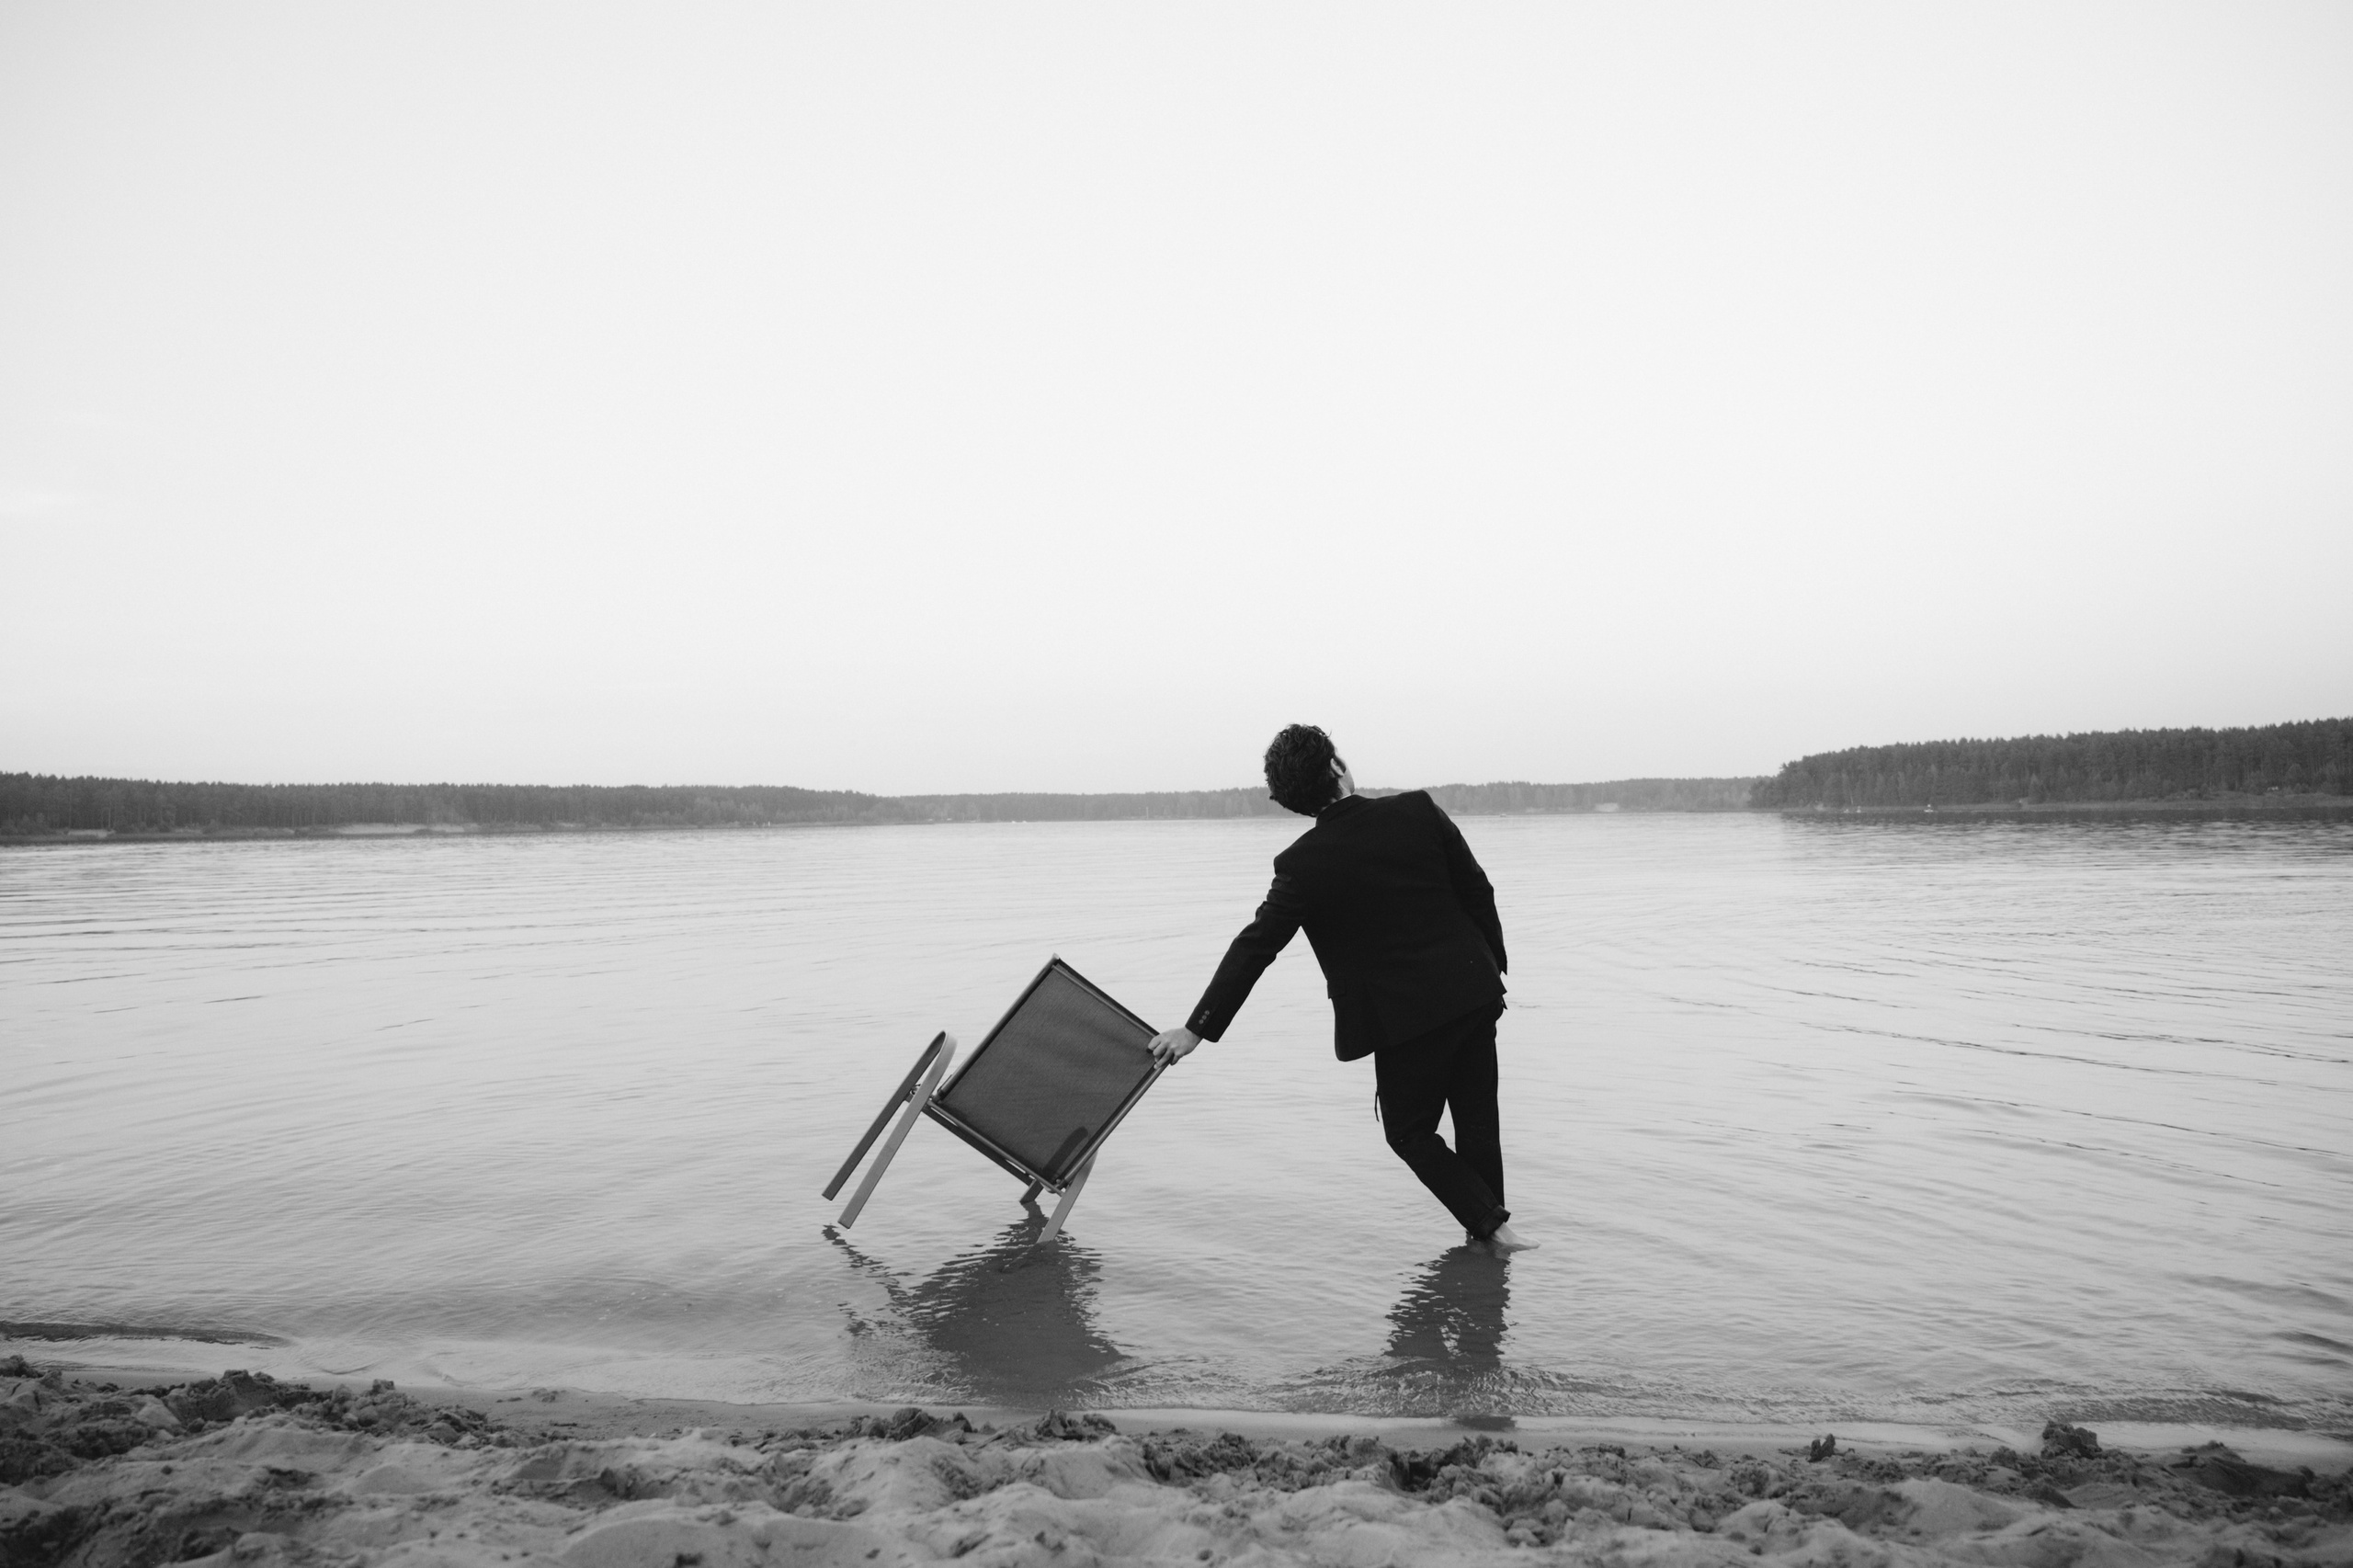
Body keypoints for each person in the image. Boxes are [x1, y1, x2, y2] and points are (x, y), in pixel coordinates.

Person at [1149, 724, 1537, 1254]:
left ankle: (1495, 1235)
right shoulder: (1418, 811)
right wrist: (1491, 969)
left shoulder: (1301, 865)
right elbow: (1479, 889)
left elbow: (1255, 947)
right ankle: (1490, 1251)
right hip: (1473, 994)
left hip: (1404, 1023)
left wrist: (1197, 1029)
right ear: (1336, 767)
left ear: (1290, 800)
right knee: (1478, 1127)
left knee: (1409, 1134)